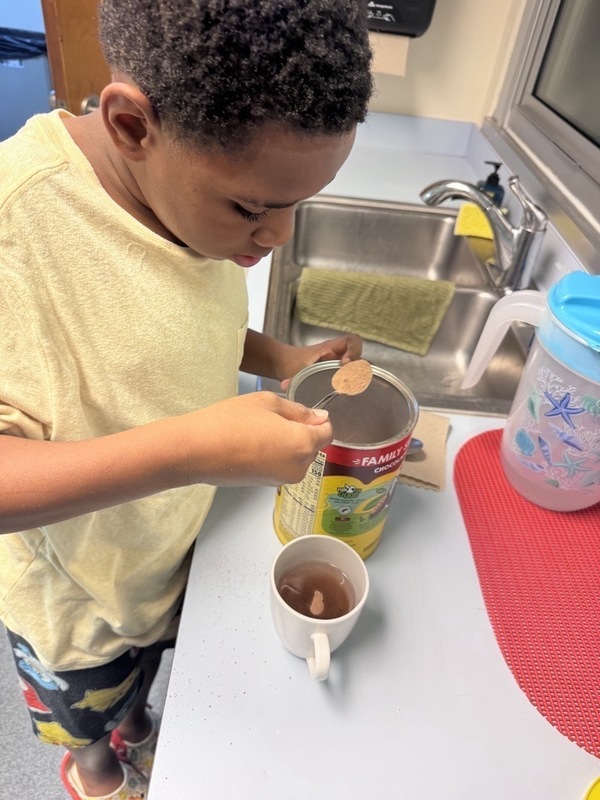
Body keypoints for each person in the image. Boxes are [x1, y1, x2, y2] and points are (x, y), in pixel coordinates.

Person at [0, 0, 372, 798]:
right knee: (88, 712)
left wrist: (279, 358)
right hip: (78, 605)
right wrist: (191, 451)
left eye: (297, 203)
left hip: (162, 559)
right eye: (252, 208)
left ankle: (136, 724)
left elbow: (187, 324)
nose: (277, 235)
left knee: (141, 682)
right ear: (133, 126)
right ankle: (97, 772)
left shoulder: (188, 205)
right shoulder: (17, 229)